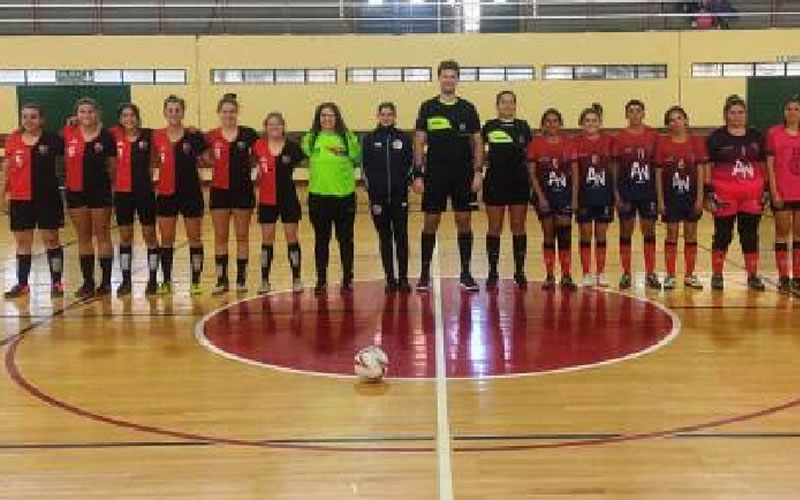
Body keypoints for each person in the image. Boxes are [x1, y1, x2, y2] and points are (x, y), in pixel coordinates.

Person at [413, 59, 483, 292]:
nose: (448, 80)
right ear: (439, 78)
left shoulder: (468, 108)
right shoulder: (428, 107)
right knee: (430, 222)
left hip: (462, 173)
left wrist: (477, 172)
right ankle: (424, 274)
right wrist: (418, 173)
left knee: (464, 221)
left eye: (452, 76)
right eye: (445, 76)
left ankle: (465, 273)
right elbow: (419, 140)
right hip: (435, 173)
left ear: (457, 80)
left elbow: (477, 142)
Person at [0, 103, 66, 298]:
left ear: (42, 120)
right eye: (25, 116)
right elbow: (6, 169)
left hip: (47, 198)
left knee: (52, 240)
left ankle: (56, 283)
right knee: (22, 242)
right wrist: (2, 195)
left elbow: (74, 143)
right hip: (20, 199)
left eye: (33, 116)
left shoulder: (52, 139)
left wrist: (72, 124)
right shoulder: (13, 139)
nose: (29, 120)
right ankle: (22, 284)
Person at [705, 94, 766, 291]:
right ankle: (716, 275)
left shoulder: (757, 136)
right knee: (722, 235)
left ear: (746, 115)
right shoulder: (716, 138)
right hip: (724, 196)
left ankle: (753, 275)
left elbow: (765, 164)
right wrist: (709, 192)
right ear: (725, 115)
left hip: (752, 196)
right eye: (733, 112)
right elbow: (708, 166)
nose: (737, 116)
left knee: (750, 236)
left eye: (740, 112)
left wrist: (765, 189)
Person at [302, 102, 361, 295]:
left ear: (337, 117)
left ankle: (348, 277)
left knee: (345, 240)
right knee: (321, 240)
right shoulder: (310, 139)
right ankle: (321, 279)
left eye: (331, 115)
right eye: (323, 115)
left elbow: (357, 158)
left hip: (344, 197)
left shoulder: (348, 138)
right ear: (318, 118)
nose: (327, 119)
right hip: (319, 198)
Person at [152, 94, 208, 295]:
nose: (174, 113)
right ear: (164, 112)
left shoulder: (193, 136)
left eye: (177, 110)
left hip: (191, 194)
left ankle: (195, 281)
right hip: (166, 194)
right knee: (166, 239)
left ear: (183, 112)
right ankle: (166, 281)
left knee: (195, 238)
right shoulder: (156, 136)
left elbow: (206, 160)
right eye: (170, 110)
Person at [205, 93, 259, 295]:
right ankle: (221, 280)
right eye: (225, 111)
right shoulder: (210, 136)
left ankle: (241, 279)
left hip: (243, 192)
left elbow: (259, 156)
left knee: (242, 236)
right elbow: (200, 154)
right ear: (219, 113)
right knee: (220, 237)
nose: (228, 115)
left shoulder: (249, 134)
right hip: (219, 192)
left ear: (237, 113)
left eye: (232, 111)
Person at [63, 98, 117, 298]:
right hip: (75, 192)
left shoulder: (106, 137)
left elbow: (113, 166)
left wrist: (110, 187)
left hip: (100, 191)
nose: (86, 115)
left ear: (98, 114)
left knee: (102, 235)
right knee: (83, 237)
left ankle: (106, 282)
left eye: (90, 111)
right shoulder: (68, 133)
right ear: (77, 115)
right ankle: (87, 282)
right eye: (82, 111)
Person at [481, 91, 532, 290]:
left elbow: (529, 156)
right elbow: (478, 150)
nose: (507, 105)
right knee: (494, 228)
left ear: (515, 105)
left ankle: (519, 271)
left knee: (518, 227)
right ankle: (493, 272)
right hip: (495, 182)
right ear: (497, 105)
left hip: (518, 183)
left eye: (511, 102)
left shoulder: (523, 127)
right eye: (503, 102)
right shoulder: (489, 127)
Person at [361, 102, 413, 293]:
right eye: (383, 114)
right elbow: (363, 167)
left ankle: (404, 278)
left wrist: (405, 184)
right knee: (384, 238)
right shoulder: (369, 139)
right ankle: (390, 279)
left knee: (401, 237)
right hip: (378, 200)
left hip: (400, 198)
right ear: (378, 116)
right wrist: (372, 190)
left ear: (394, 116)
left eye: (389, 114)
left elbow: (410, 165)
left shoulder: (403, 138)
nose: (386, 117)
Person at [252, 112, 306, 294]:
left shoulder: (293, 148)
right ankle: (265, 280)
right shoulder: (258, 146)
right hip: (267, 200)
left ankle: (297, 278)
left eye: (278, 124)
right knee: (267, 240)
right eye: (271, 124)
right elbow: (256, 167)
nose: (274, 127)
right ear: (265, 127)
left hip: (288, 198)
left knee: (292, 238)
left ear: (283, 126)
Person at [110, 103, 160, 297]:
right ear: (120, 119)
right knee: (125, 238)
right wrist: (72, 123)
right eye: (124, 115)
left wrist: (191, 129)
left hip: (144, 192)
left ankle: (153, 279)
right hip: (123, 194)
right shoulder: (113, 135)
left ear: (138, 117)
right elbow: (91, 128)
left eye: (132, 115)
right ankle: (126, 280)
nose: (128, 119)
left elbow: (170, 136)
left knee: (150, 236)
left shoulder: (150, 135)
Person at [654, 106, 706, 290]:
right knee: (671, 234)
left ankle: (690, 275)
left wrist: (700, 197)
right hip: (670, 197)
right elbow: (658, 173)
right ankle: (670, 275)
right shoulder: (663, 143)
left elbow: (701, 171)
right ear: (668, 124)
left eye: (678, 118)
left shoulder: (697, 142)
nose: (675, 122)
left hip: (691, 196)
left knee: (691, 235)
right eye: (671, 120)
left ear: (686, 120)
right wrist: (660, 200)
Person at [613, 99, 661, 290]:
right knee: (626, 232)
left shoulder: (654, 135)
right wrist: (616, 193)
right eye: (631, 111)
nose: (634, 114)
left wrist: (659, 194)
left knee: (649, 232)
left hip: (648, 192)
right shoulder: (619, 138)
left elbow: (659, 166)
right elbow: (614, 167)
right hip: (627, 191)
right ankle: (626, 273)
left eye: (638, 111)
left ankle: (650, 273)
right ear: (626, 115)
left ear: (643, 114)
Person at [528, 108, 578, 290]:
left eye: (555, 120)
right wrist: (540, 197)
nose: (551, 124)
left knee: (564, 235)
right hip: (545, 196)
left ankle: (566, 275)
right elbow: (532, 175)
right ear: (543, 124)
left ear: (560, 123)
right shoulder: (536, 144)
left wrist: (574, 198)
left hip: (564, 195)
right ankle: (549, 276)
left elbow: (575, 173)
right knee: (548, 235)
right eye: (547, 121)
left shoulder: (569, 143)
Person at [574, 103, 614, 287]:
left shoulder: (609, 141)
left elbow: (614, 168)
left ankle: (601, 272)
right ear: (582, 123)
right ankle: (586, 273)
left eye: (594, 120)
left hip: (604, 194)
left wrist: (615, 193)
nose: (591, 123)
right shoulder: (575, 142)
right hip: (584, 195)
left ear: (600, 122)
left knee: (601, 235)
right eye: (587, 121)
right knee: (585, 235)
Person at [766, 95, 800, 293]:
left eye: (796, 109)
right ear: (783, 112)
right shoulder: (774, 133)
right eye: (789, 108)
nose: (792, 112)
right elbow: (770, 165)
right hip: (783, 192)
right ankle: (783, 277)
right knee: (782, 233)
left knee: (798, 235)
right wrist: (774, 191)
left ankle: (797, 276)